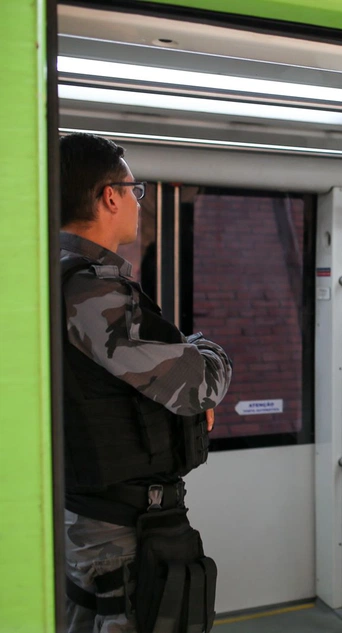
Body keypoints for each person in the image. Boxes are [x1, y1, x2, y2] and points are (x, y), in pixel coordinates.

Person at [59, 133, 232, 633]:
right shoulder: (91, 290)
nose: (140, 202)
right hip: (120, 529)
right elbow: (200, 383)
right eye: (135, 191)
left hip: (87, 513)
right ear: (108, 196)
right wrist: (206, 348)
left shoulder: (45, 273)